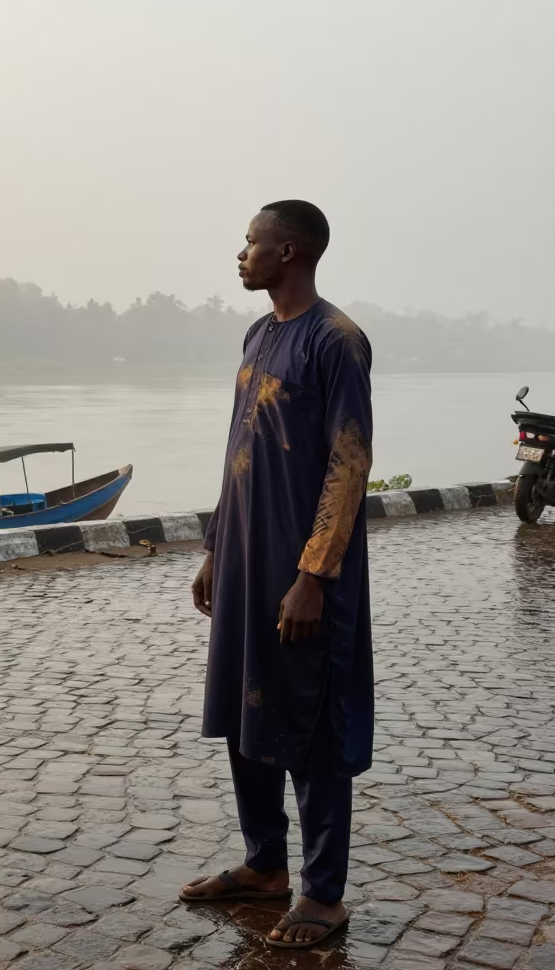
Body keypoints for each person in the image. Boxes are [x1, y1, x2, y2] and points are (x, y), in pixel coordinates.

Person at [180, 200, 374, 950]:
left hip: (302, 569)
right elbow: (241, 447)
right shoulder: (258, 335)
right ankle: (264, 865)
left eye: (252, 242)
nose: (242, 253)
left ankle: (323, 894)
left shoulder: (336, 340)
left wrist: (315, 575)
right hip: (244, 560)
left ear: (289, 251)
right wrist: (215, 547)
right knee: (246, 709)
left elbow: (349, 462)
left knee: (311, 719)